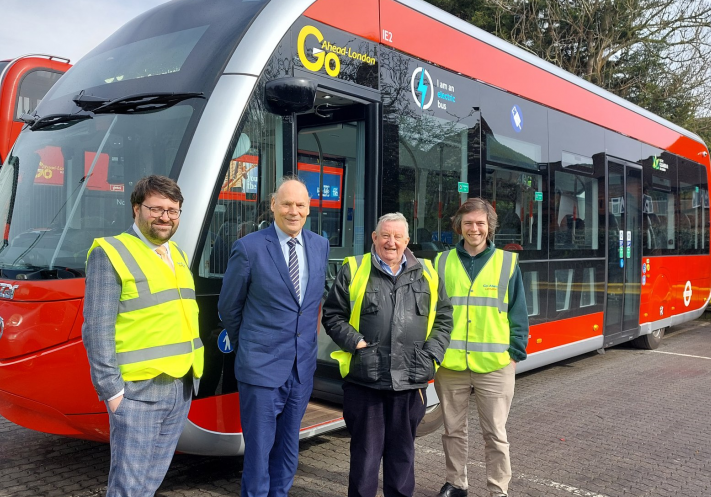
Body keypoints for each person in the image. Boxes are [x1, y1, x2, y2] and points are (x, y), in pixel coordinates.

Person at [82, 175, 203, 497]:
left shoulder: (175, 252)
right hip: (138, 392)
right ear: (137, 209)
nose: (165, 217)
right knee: (129, 487)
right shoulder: (111, 252)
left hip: (180, 386)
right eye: (157, 209)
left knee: (150, 482)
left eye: (173, 210)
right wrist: (113, 393)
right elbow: (96, 328)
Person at [322, 212, 453, 497]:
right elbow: (332, 316)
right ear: (374, 237)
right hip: (365, 381)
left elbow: (444, 318)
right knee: (365, 458)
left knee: (402, 457)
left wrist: (431, 354)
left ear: (407, 240)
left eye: (397, 237)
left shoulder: (428, 273)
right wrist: (355, 342)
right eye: (385, 235)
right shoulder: (354, 269)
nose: (391, 242)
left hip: (411, 381)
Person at [218, 177, 329, 497]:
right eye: (286, 204)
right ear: (273, 206)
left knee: (289, 445)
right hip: (260, 367)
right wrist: (248, 346)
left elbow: (311, 306)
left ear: (309, 209)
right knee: (258, 449)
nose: (293, 211)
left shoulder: (319, 245)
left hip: (301, 368)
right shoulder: (249, 247)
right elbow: (229, 306)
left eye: (300, 205)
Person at [434, 197, 528, 497]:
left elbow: (519, 312)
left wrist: (514, 354)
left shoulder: (507, 262)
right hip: (451, 364)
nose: (474, 228)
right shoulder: (441, 262)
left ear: (489, 227)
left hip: (495, 364)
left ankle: (498, 490)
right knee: (452, 431)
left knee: (496, 435)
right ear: (458, 227)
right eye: (468, 223)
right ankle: (456, 483)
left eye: (480, 223)